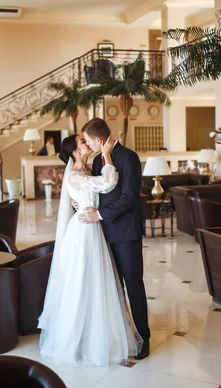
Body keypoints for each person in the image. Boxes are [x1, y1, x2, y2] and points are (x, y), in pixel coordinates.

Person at [37, 134, 142, 366]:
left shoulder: (87, 170)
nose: (87, 143)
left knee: (98, 284)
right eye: (82, 142)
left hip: (95, 228)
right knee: (81, 283)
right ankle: (78, 339)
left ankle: (99, 334)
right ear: (75, 152)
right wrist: (106, 155)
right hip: (83, 232)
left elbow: (103, 192)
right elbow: (107, 183)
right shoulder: (74, 176)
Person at [78, 117, 151, 360]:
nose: (87, 145)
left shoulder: (128, 157)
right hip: (103, 234)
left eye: (88, 141)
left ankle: (144, 338)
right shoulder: (99, 159)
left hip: (126, 234)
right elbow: (97, 190)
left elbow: (129, 196)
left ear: (99, 139)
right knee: (113, 287)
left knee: (133, 285)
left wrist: (99, 213)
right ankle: (122, 336)